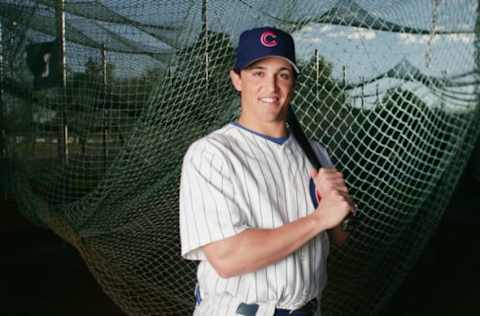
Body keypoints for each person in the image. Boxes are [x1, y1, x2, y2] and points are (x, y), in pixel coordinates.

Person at [179, 26, 355, 316]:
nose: (271, 88)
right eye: (258, 73)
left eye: (282, 74)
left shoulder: (316, 153)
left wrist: (337, 210)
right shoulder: (211, 154)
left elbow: (339, 238)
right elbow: (228, 257)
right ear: (237, 79)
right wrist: (318, 219)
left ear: (293, 83)